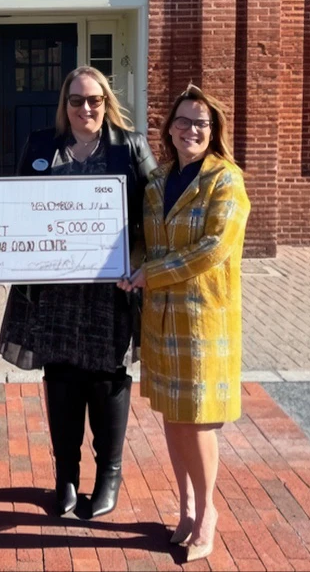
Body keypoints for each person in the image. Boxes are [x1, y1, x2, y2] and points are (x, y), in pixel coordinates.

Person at [0, 66, 156, 517]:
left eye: (94, 100)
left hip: (111, 290)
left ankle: (109, 476)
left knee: (106, 380)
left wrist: (141, 261)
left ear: (106, 103)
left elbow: (157, 208)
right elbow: (17, 210)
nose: (85, 108)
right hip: (55, 291)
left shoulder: (130, 146)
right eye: (76, 100)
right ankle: (65, 478)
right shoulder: (41, 145)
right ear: (63, 105)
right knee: (62, 380)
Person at [119, 84, 251, 563]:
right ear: (168, 127)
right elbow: (143, 242)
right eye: (182, 121)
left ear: (214, 131)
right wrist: (126, 263)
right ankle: (187, 506)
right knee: (174, 420)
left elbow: (214, 248)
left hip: (202, 319)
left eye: (200, 123)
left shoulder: (226, 180)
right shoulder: (158, 182)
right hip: (160, 318)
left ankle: (209, 512)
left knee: (197, 421)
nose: (189, 129)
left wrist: (148, 273)